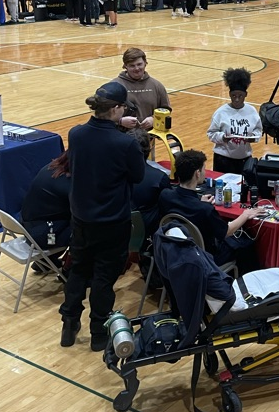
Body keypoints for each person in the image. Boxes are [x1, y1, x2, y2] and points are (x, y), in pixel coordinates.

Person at [59, 81, 145, 350]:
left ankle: (69, 325)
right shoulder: (124, 144)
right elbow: (138, 176)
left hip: (82, 219)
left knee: (78, 271)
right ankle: (98, 334)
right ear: (117, 108)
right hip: (112, 222)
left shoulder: (76, 134)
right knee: (103, 279)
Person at [156, 149, 264, 267]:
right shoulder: (204, 209)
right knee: (247, 243)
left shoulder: (165, 195)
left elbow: (184, 205)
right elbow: (226, 232)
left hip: (174, 248)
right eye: (203, 169)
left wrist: (197, 201)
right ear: (197, 173)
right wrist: (245, 215)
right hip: (206, 256)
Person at [207, 67, 262, 174]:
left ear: (246, 95)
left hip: (244, 159)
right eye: (233, 96)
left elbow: (258, 131)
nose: (236, 99)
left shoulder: (252, 111)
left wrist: (253, 138)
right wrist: (222, 137)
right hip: (223, 159)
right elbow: (211, 133)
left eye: (240, 96)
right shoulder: (221, 112)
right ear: (229, 95)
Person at [20, 149, 73, 252]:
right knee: (89, 231)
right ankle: (71, 266)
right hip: (44, 238)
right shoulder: (67, 183)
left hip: (28, 226)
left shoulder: (52, 167)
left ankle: (46, 261)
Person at [110, 47, 172, 129]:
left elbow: (166, 110)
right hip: (120, 138)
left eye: (139, 64)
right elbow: (101, 115)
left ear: (145, 63)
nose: (136, 69)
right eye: (132, 66)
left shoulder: (157, 86)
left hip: (147, 138)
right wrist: (120, 121)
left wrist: (154, 119)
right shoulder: (113, 86)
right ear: (125, 66)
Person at [129, 130, 171, 236]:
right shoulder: (159, 177)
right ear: (150, 149)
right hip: (148, 233)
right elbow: (170, 204)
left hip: (117, 231)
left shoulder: (111, 174)